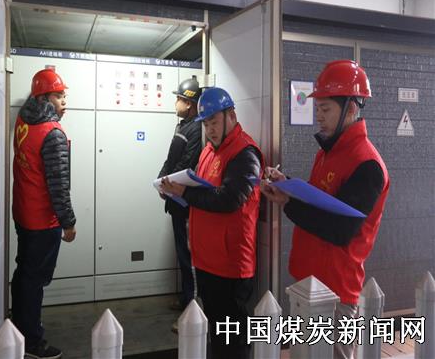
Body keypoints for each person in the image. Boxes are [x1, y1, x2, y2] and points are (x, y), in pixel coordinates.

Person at [260, 60, 390, 359]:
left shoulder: (367, 164)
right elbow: (319, 198)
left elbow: (340, 229)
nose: (318, 115)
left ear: (351, 108)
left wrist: (288, 202)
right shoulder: (326, 153)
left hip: (335, 289)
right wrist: (286, 185)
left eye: (326, 109)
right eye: (317, 108)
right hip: (309, 279)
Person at [161, 87, 263, 359]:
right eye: (206, 124)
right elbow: (201, 191)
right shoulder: (208, 150)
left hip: (230, 265)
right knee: (218, 337)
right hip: (207, 261)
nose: (210, 129)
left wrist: (186, 193)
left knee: (233, 341)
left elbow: (230, 199)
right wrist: (176, 191)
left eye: (214, 122)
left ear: (232, 116)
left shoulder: (245, 153)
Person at [11, 68, 77, 359]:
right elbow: (58, 184)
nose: (64, 101)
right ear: (43, 97)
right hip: (42, 220)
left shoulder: (23, 121)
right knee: (35, 280)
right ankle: (31, 341)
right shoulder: (52, 133)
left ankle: (19, 327)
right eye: (58, 96)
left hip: (23, 213)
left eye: (64, 96)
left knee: (24, 274)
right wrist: (68, 222)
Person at [157, 77, 202, 319]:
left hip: (185, 203)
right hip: (174, 199)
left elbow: (187, 163)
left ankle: (192, 312)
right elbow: (171, 158)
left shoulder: (196, 128)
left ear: (189, 103)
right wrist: (162, 179)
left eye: (179, 99)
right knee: (182, 253)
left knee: (189, 256)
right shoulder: (182, 126)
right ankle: (186, 298)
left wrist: (169, 183)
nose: (176, 103)